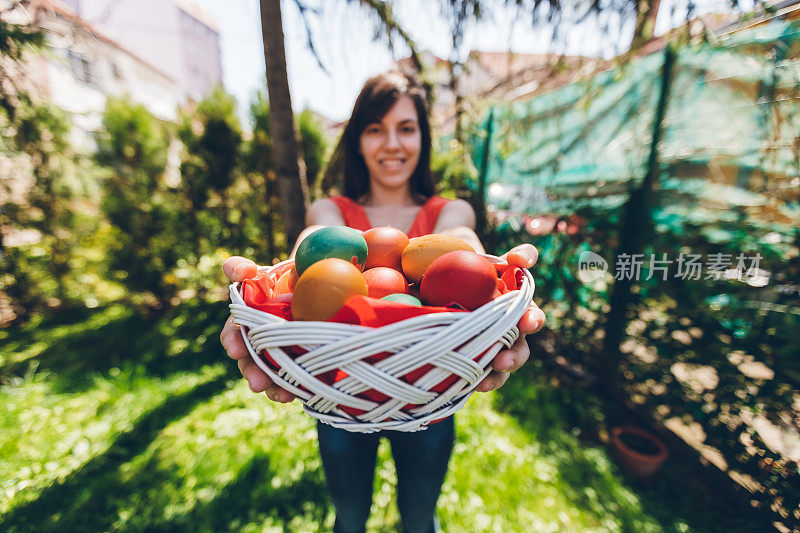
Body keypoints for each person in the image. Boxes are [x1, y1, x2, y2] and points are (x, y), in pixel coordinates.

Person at [220, 71, 546, 533]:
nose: (391, 143)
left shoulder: (448, 211)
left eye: (406, 128)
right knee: (349, 517)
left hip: (429, 385)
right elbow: (310, 248)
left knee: (420, 518)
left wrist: (487, 276)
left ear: (423, 137)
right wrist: (258, 294)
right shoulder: (332, 212)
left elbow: (460, 245)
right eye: (375, 129)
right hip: (338, 386)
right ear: (357, 140)